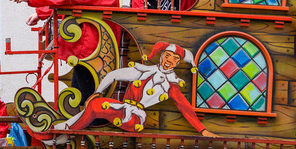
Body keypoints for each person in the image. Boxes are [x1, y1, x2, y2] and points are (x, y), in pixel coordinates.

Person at [51, 42, 217, 139]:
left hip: (136, 119)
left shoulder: (171, 85)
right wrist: (97, 92)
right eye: (167, 56)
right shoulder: (144, 71)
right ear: (161, 56)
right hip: (121, 109)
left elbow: (185, 107)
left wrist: (203, 130)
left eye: (175, 59)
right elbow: (113, 75)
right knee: (94, 104)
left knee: (95, 107)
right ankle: (66, 129)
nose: (169, 61)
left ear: (177, 63)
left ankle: (66, 131)